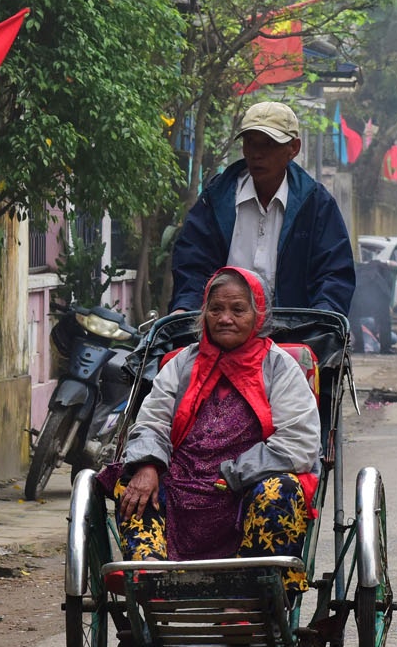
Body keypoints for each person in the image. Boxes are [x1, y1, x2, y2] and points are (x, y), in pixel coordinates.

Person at [110, 267, 319, 593]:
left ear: (258, 316)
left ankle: (253, 596)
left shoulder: (279, 366)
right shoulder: (182, 363)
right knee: (133, 481)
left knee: (280, 490)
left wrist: (236, 474)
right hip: (182, 481)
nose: (225, 318)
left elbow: (298, 441)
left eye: (238, 310)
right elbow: (152, 421)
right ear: (204, 314)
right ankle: (150, 574)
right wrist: (148, 464)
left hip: (246, 486)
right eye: (216, 309)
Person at [170, 101, 356, 317]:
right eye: (250, 142)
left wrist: (321, 320)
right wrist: (185, 308)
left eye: (269, 144)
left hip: (295, 331)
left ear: (293, 148)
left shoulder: (316, 205)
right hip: (223, 328)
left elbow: (333, 276)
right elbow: (192, 265)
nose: (257, 154)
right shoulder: (216, 199)